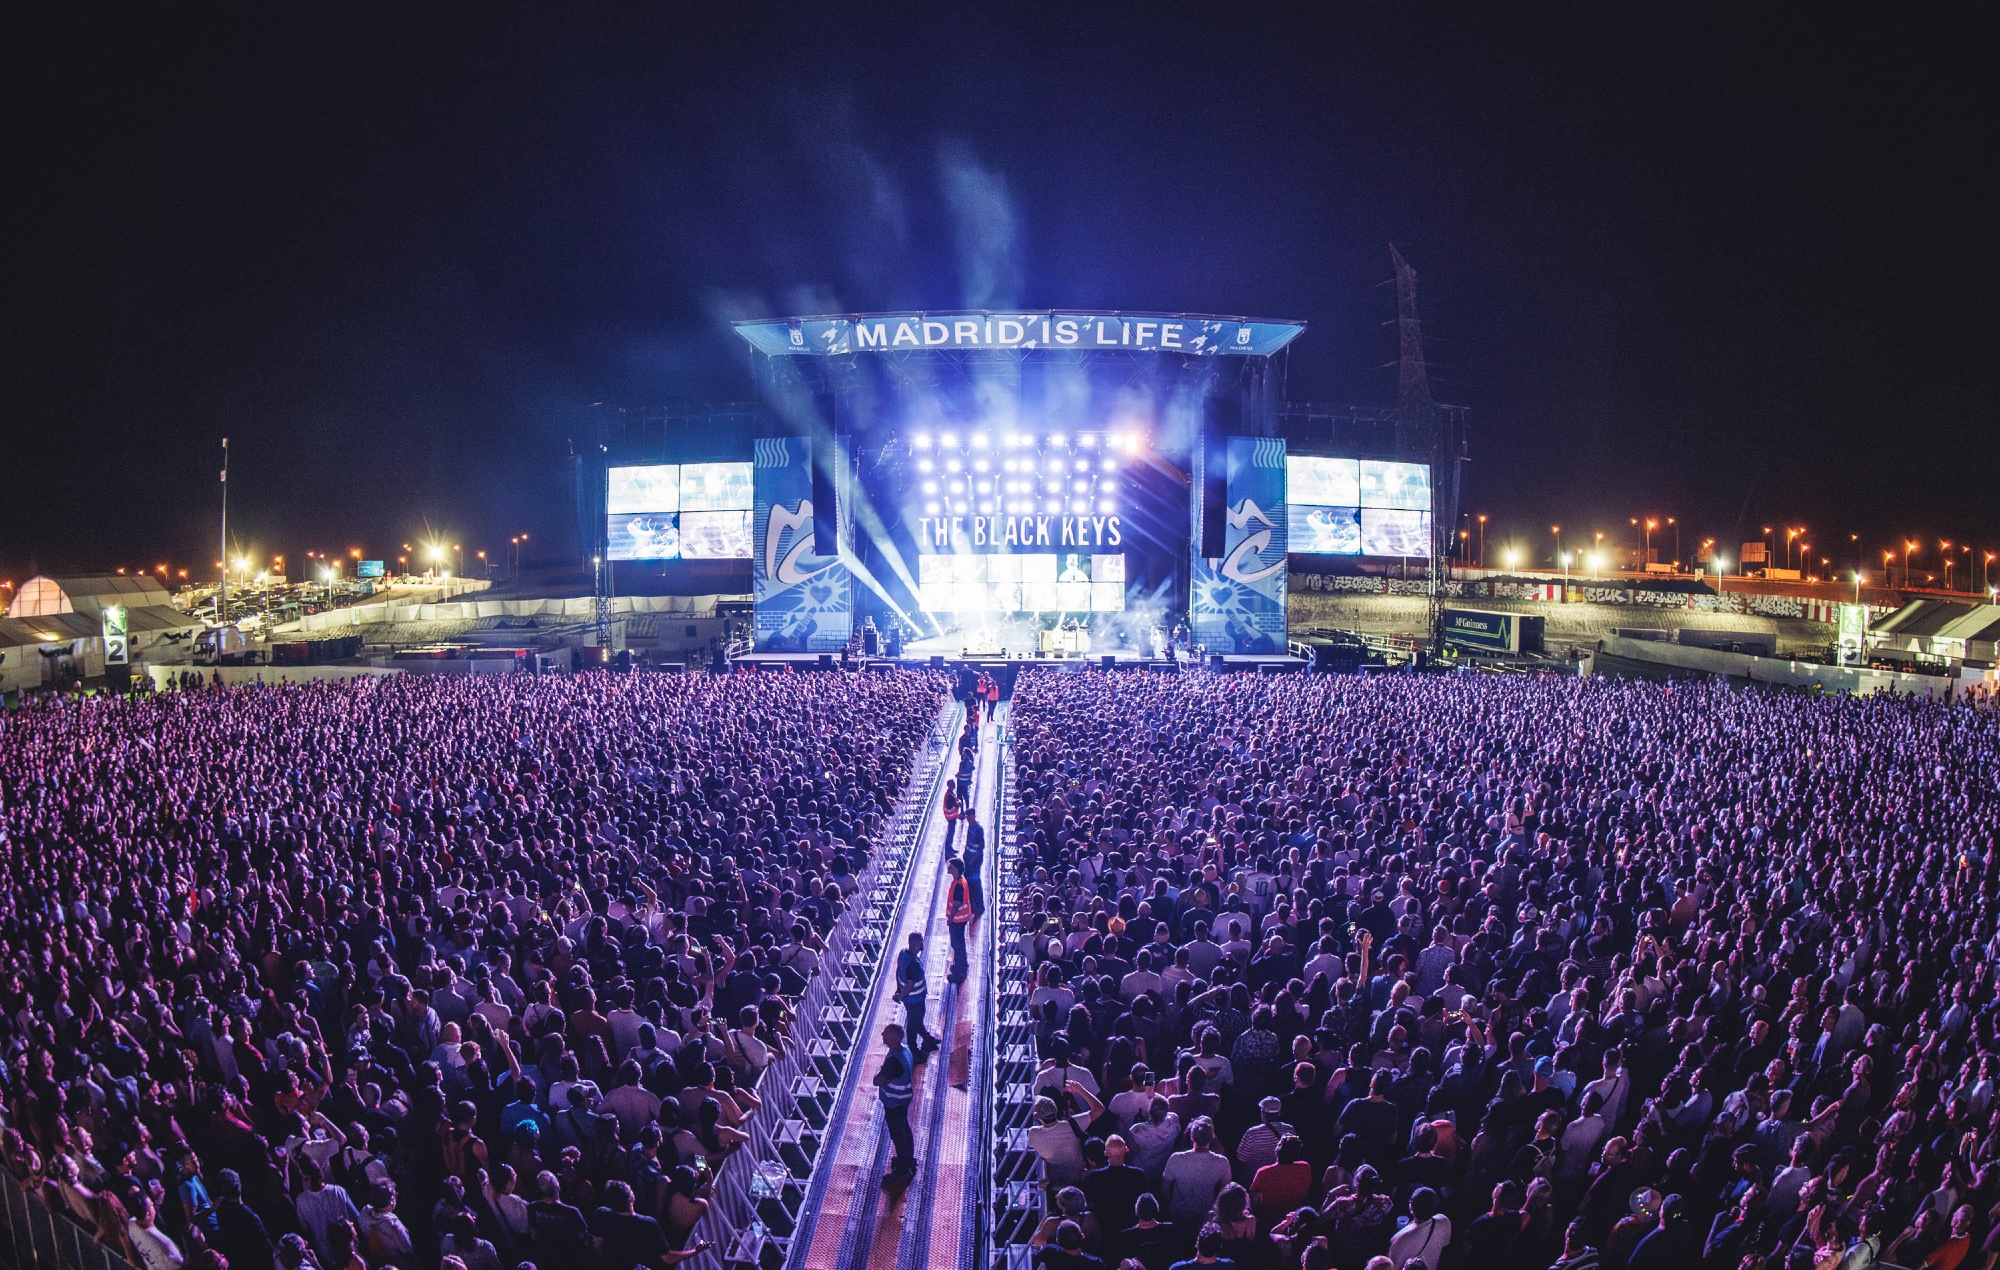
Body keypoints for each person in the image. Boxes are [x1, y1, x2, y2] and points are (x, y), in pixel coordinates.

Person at [874, 1024, 918, 1183]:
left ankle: (904, 1169)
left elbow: (877, 1081)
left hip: (894, 1102)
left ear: (893, 1038)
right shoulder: (904, 1050)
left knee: (898, 1135)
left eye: (885, 1034)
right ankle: (907, 1159)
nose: (882, 1035)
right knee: (904, 1129)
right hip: (903, 1100)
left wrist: (879, 1074)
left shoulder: (893, 1062)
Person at [897, 933, 941, 1058]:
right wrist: (900, 996)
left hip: (910, 999)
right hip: (915, 1000)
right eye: (921, 942)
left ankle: (927, 1039)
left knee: (915, 1021)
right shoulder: (914, 965)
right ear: (916, 943)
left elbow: (898, 971)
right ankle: (915, 1050)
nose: (922, 944)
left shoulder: (903, 953)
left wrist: (898, 991)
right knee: (914, 1023)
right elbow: (908, 986)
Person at [946, 857, 974, 982]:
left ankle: (960, 971)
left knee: (957, 944)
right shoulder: (960, 881)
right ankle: (961, 964)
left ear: (956, 868)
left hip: (957, 920)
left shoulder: (958, 885)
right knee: (958, 943)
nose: (948, 868)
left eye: (951, 866)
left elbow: (957, 904)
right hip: (960, 919)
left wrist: (950, 918)